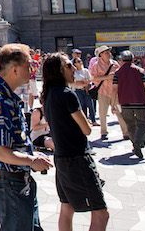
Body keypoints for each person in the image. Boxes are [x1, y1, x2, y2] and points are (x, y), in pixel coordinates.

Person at [0, 44, 53, 231]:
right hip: (8, 181)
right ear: (14, 70)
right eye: (28, 65)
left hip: (16, 178)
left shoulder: (7, 96)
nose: (32, 69)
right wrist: (31, 160)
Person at [42, 53, 108, 231]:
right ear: (58, 70)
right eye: (69, 66)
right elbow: (87, 129)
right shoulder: (67, 95)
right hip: (77, 159)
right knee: (101, 212)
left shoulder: (47, 96)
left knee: (67, 207)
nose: (73, 69)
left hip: (61, 158)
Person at [112, 50, 145, 159]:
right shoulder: (140, 71)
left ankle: (135, 144)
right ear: (133, 59)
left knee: (130, 124)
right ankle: (138, 143)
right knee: (143, 123)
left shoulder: (118, 72)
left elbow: (114, 89)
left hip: (125, 102)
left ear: (122, 60)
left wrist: (113, 103)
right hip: (140, 101)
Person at [90, 45, 128, 140]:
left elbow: (121, 75)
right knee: (102, 113)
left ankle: (126, 132)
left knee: (120, 112)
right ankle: (103, 132)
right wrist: (106, 77)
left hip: (115, 92)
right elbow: (93, 78)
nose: (109, 54)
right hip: (103, 92)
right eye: (106, 53)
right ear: (101, 55)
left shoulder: (114, 64)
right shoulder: (96, 66)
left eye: (109, 52)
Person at [70, 58, 97, 126]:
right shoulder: (74, 72)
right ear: (75, 64)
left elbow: (89, 80)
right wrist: (82, 83)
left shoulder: (85, 71)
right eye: (78, 62)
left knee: (90, 106)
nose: (80, 63)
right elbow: (73, 83)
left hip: (86, 90)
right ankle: (85, 121)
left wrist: (82, 83)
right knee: (82, 106)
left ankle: (93, 120)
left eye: (80, 61)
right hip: (78, 91)